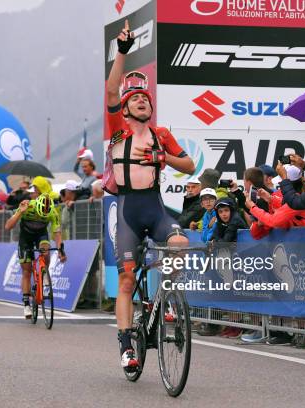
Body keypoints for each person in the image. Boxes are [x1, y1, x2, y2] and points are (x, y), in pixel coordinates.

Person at [106, 20, 195, 372]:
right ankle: (127, 345)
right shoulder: (118, 131)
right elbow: (112, 92)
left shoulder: (161, 135)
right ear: (127, 109)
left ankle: (169, 298)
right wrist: (122, 52)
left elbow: (188, 166)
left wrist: (164, 158)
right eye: (136, 99)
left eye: (146, 99)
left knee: (179, 243)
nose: (142, 102)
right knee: (127, 279)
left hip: (155, 207)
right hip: (128, 210)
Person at [4, 193, 66, 319]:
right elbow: (8, 226)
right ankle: (26, 304)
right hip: (25, 238)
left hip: (40, 236)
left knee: (45, 250)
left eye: (43, 216)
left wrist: (60, 250)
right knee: (27, 271)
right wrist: (20, 213)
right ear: (36, 206)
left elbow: (57, 233)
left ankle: (44, 273)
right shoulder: (27, 206)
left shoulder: (53, 212)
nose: (40, 217)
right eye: (38, 214)